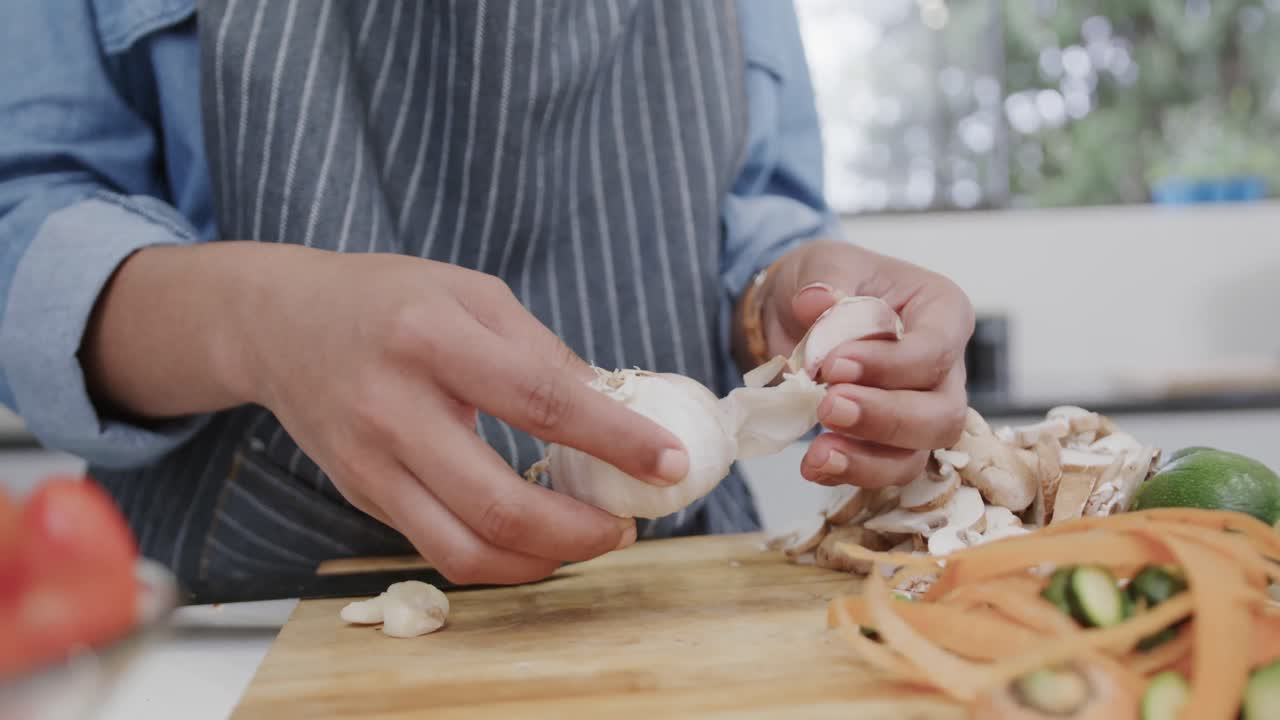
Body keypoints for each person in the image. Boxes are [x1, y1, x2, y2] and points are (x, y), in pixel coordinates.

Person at [0, 0, 973, 601]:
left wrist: (795, 303)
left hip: (672, 593)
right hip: (241, 610)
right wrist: (254, 318)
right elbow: (24, 220)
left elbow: (748, 212)